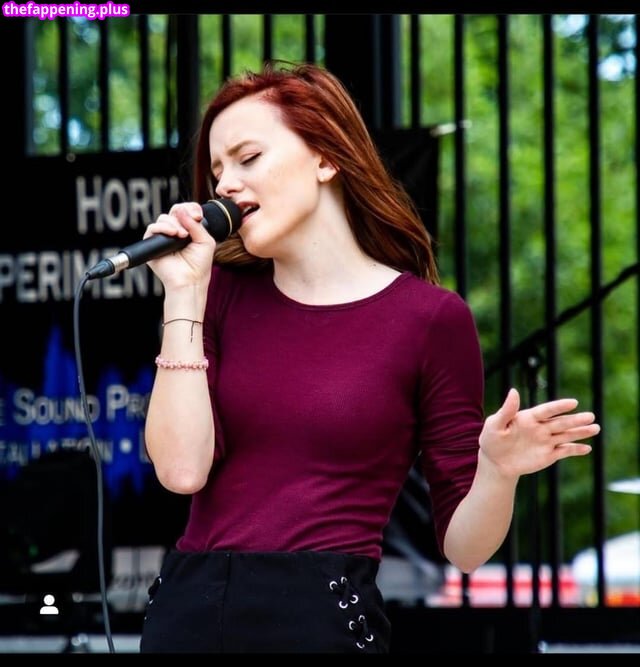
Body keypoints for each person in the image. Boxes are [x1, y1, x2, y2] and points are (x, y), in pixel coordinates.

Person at [138, 61, 600, 654]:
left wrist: (497, 471)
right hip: (189, 614)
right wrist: (183, 294)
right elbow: (181, 472)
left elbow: (465, 550)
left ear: (326, 159)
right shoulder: (215, 293)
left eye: (247, 158)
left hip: (320, 621)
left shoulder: (429, 319)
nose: (225, 184)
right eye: (218, 170)